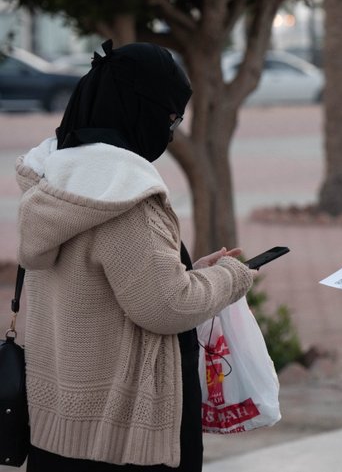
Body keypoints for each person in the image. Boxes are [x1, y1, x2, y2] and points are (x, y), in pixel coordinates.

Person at [16, 40, 256, 471]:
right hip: (121, 439)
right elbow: (167, 306)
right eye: (170, 116)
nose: (171, 129)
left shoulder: (57, 178)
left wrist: (191, 272)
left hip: (59, 429)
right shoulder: (122, 196)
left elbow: (111, 283)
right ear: (137, 108)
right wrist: (233, 277)